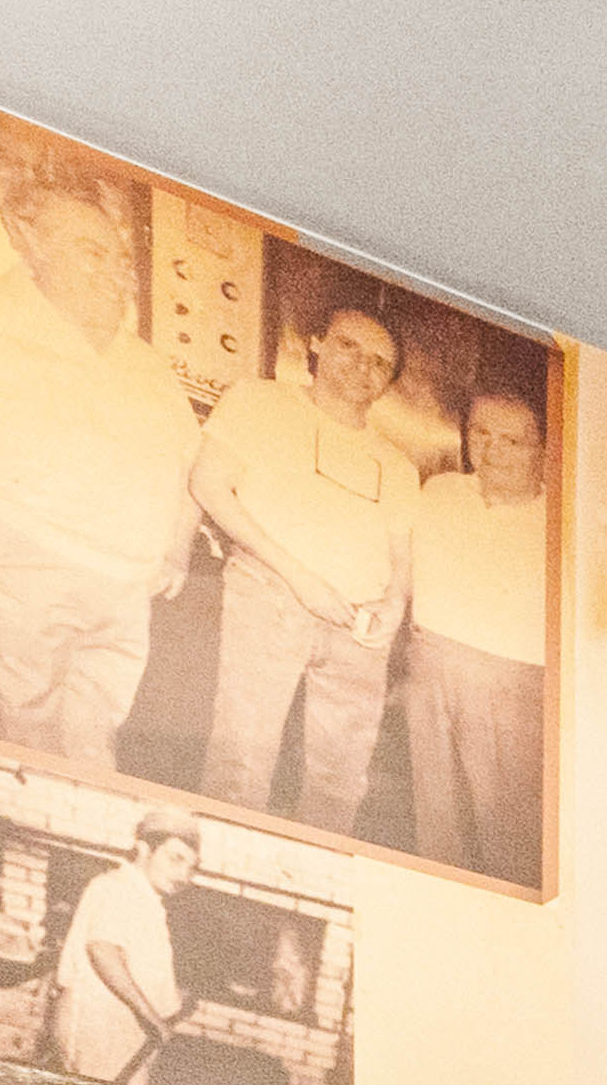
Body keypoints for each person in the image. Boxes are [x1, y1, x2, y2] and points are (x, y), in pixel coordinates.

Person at [0, 161, 200, 771]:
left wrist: (175, 547)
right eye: (92, 251)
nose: (115, 271)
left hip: (124, 588)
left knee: (95, 744)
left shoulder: (147, 363)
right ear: (29, 239)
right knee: (20, 734)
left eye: (120, 257)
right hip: (25, 566)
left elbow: (191, 466)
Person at [189, 296, 426, 831]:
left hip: (358, 625)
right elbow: (207, 484)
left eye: (379, 363)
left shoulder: (397, 463)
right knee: (242, 761)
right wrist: (299, 578)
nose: (362, 366)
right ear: (315, 343)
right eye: (349, 346)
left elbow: (401, 552)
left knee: (341, 780)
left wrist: (394, 607)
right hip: (269, 591)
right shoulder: (259, 401)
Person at [391, 369, 547, 877]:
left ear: (540, 448)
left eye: (512, 440)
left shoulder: (557, 519)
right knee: (434, 817)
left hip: (512, 682)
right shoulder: (439, 490)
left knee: (508, 827)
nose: (492, 449)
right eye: (481, 433)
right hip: (430, 664)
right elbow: (405, 570)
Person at [31, 823, 201, 1085]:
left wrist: (171, 997)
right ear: (144, 849)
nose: (183, 875)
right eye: (175, 858)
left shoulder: (145, 899)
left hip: (122, 1038)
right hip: (99, 1033)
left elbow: (133, 965)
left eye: (192, 867)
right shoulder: (118, 889)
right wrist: (153, 1019)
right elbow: (103, 951)